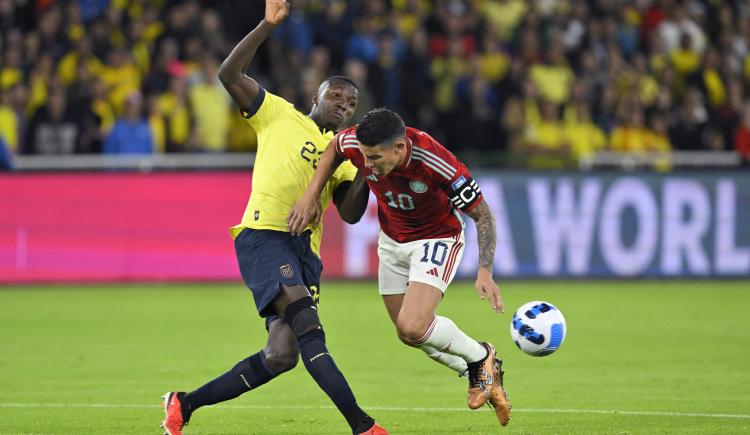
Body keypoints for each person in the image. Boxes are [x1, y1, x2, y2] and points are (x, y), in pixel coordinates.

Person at [160, 2, 387, 435]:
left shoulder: (342, 156)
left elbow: (354, 215)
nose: (343, 103)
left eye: (351, 102)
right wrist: (266, 26)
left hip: (306, 254)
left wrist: (370, 171)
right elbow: (229, 76)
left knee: (281, 355)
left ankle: (184, 404)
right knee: (309, 329)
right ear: (314, 98)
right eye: (335, 95)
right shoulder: (279, 114)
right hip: (265, 235)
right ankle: (363, 426)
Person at [289, 108, 512, 427]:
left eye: (375, 158)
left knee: (412, 325)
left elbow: (483, 215)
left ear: (399, 148)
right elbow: (335, 148)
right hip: (392, 240)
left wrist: (485, 270)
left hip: (437, 238)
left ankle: (481, 357)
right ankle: (479, 370)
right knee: (409, 335)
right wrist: (311, 195)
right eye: (365, 157)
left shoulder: (436, 162)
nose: (367, 165)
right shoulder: (358, 142)